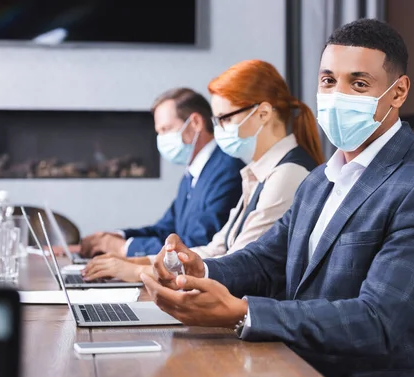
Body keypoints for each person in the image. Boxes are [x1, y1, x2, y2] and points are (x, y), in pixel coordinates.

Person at [140, 19, 414, 377]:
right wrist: (202, 269)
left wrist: (243, 311)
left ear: (398, 92)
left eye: (358, 83)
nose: (337, 95)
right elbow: (266, 261)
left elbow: (378, 321)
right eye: (328, 81)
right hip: (303, 366)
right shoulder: (317, 181)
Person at [81, 60, 324, 282]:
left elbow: (241, 262)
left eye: (224, 119)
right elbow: (218, 247)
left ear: (262, 114)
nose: (218, 130)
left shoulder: (288, 173)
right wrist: (138, 262)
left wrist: (138, 271)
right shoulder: (259, 172)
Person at [79, 88, 244, 258]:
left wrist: (124, 248)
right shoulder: (193, 173)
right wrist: (118, 237)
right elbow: (165, 229)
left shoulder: (227, 171)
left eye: (166, 129)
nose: (162, 139)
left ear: (195, 123)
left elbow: (200, 242)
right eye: (159, 132)